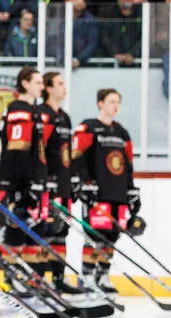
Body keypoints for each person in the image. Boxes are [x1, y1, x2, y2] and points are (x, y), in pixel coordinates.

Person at [74, 89, 135, 295]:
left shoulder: (122, 132)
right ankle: (87, 275)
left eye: (118, 102)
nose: (115, 106)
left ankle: (103, 274)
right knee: (95, 235)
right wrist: (84, 184)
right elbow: (77, 158)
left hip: (117, 192)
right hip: (97, 192)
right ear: (100, 103)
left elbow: (127, 164)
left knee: (112, 236)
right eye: (111, 101)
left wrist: (131, 189)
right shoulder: (88, 127)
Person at [0, 67, 45, 271]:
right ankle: (14, 276)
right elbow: (18, 149)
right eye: (38, 82)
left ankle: (26, 276)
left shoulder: (31, 110)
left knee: (31, 228)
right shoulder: (20, 109)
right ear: (25, 84)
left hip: (26, 177)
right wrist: (26, 182)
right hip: (17, 178)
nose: (42, 87)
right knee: (16, 227)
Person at [36, 70, 80, 292]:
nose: (64, 87)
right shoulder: (43, 115)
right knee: (46, 229)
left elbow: (67, 152)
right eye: (60, 83)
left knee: (62, 231)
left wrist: (72, 178)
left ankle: (58, 277)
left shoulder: (64, 117)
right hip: (48, 183)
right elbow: (39, 150)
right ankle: (41, 277)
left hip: (63, 183)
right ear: (48, 88)